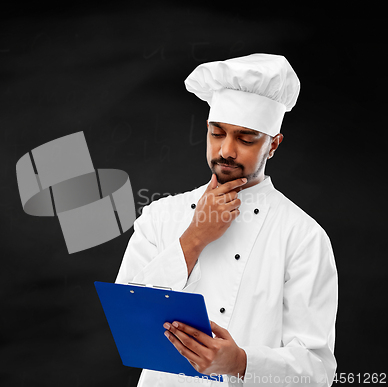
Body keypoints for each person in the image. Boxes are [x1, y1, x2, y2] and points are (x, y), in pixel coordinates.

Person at [115, 54, 338, 386]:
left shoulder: (303, 236)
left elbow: (317, 370)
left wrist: (241, 362)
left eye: (246, 139)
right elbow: (127, 321)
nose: (226, 151)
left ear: (273, 144)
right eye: (217, 133)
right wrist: (195, 237)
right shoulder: (160, 218)